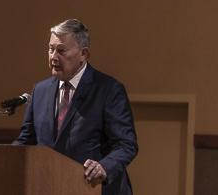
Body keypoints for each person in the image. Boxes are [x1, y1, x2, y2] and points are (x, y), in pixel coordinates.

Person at [13, 19, 138, 195]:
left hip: (94, 188)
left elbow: (126, 144)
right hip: (48, 187)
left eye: (61, 50)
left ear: (83, 54)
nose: (53, 57)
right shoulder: (40, 90)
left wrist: (104, 167)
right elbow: (27, 141)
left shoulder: (108, 89)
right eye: (51, 49)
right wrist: (5, 158)